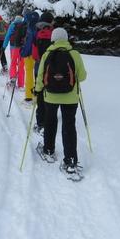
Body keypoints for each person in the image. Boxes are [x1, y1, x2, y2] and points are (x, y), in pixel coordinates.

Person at [34, 27, 87, 178]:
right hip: (70, 97)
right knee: (69, 125)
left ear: (53, 39)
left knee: (50, 122)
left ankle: (48, 150)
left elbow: (40, 76)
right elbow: (82, 77)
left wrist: (37, 90)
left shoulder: (47, 54)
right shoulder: (74, 54)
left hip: (50, 96)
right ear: (66, 38)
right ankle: (70, 161)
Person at [32, 11, 54, 132]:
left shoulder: (37, 32)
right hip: (52, 68)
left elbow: (34, 53)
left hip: (39, 66)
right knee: (51, 91)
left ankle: (40, 122)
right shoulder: (54, 32)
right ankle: (50, 117)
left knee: (40, 93)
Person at [20, 11, 40, 101]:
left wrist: (23, 53)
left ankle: (29, 96)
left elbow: (28, 44)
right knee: (38, 75)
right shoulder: (40, 27)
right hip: (39, 55)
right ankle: (38, 95)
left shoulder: (29, 28)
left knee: (29, 74)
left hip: (29, 55)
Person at [2, 15, 26, 88]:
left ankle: (13, 78)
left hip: (14, 47)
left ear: (15, 19)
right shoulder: (24, 26)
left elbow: (8, 36)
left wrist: (4, 46)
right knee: (21, 65)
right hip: (22, 48)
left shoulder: (12, 25)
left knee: (13, 63)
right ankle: (21, 84)